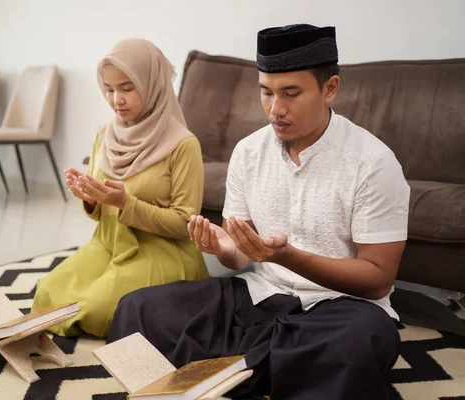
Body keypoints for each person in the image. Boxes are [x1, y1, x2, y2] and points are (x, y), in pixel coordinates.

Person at [107, 24, 410, 399]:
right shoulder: (249, 153)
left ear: (330, 88)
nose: (275, 109)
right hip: (260, 296)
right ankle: (262, 368)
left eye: (291, 94)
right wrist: (224, 248)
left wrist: (289, 257)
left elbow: (378, 279)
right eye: (266, 93)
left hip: (338, 310)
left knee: (356, 344)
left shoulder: (373, 163)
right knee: (137, 309)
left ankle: (235, 371)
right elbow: (240, 257)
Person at [31, 38, 209, 338]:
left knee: (97, 310)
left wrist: (127, 203)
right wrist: (89, 198)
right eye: (109, 90)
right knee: (47, 293)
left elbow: (184, 223)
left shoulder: (183, 145)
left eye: (127, 88)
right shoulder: (105, 134)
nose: (116, 100)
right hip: (109, 243)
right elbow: (101, 215)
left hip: (161, 250)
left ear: (153, 84)